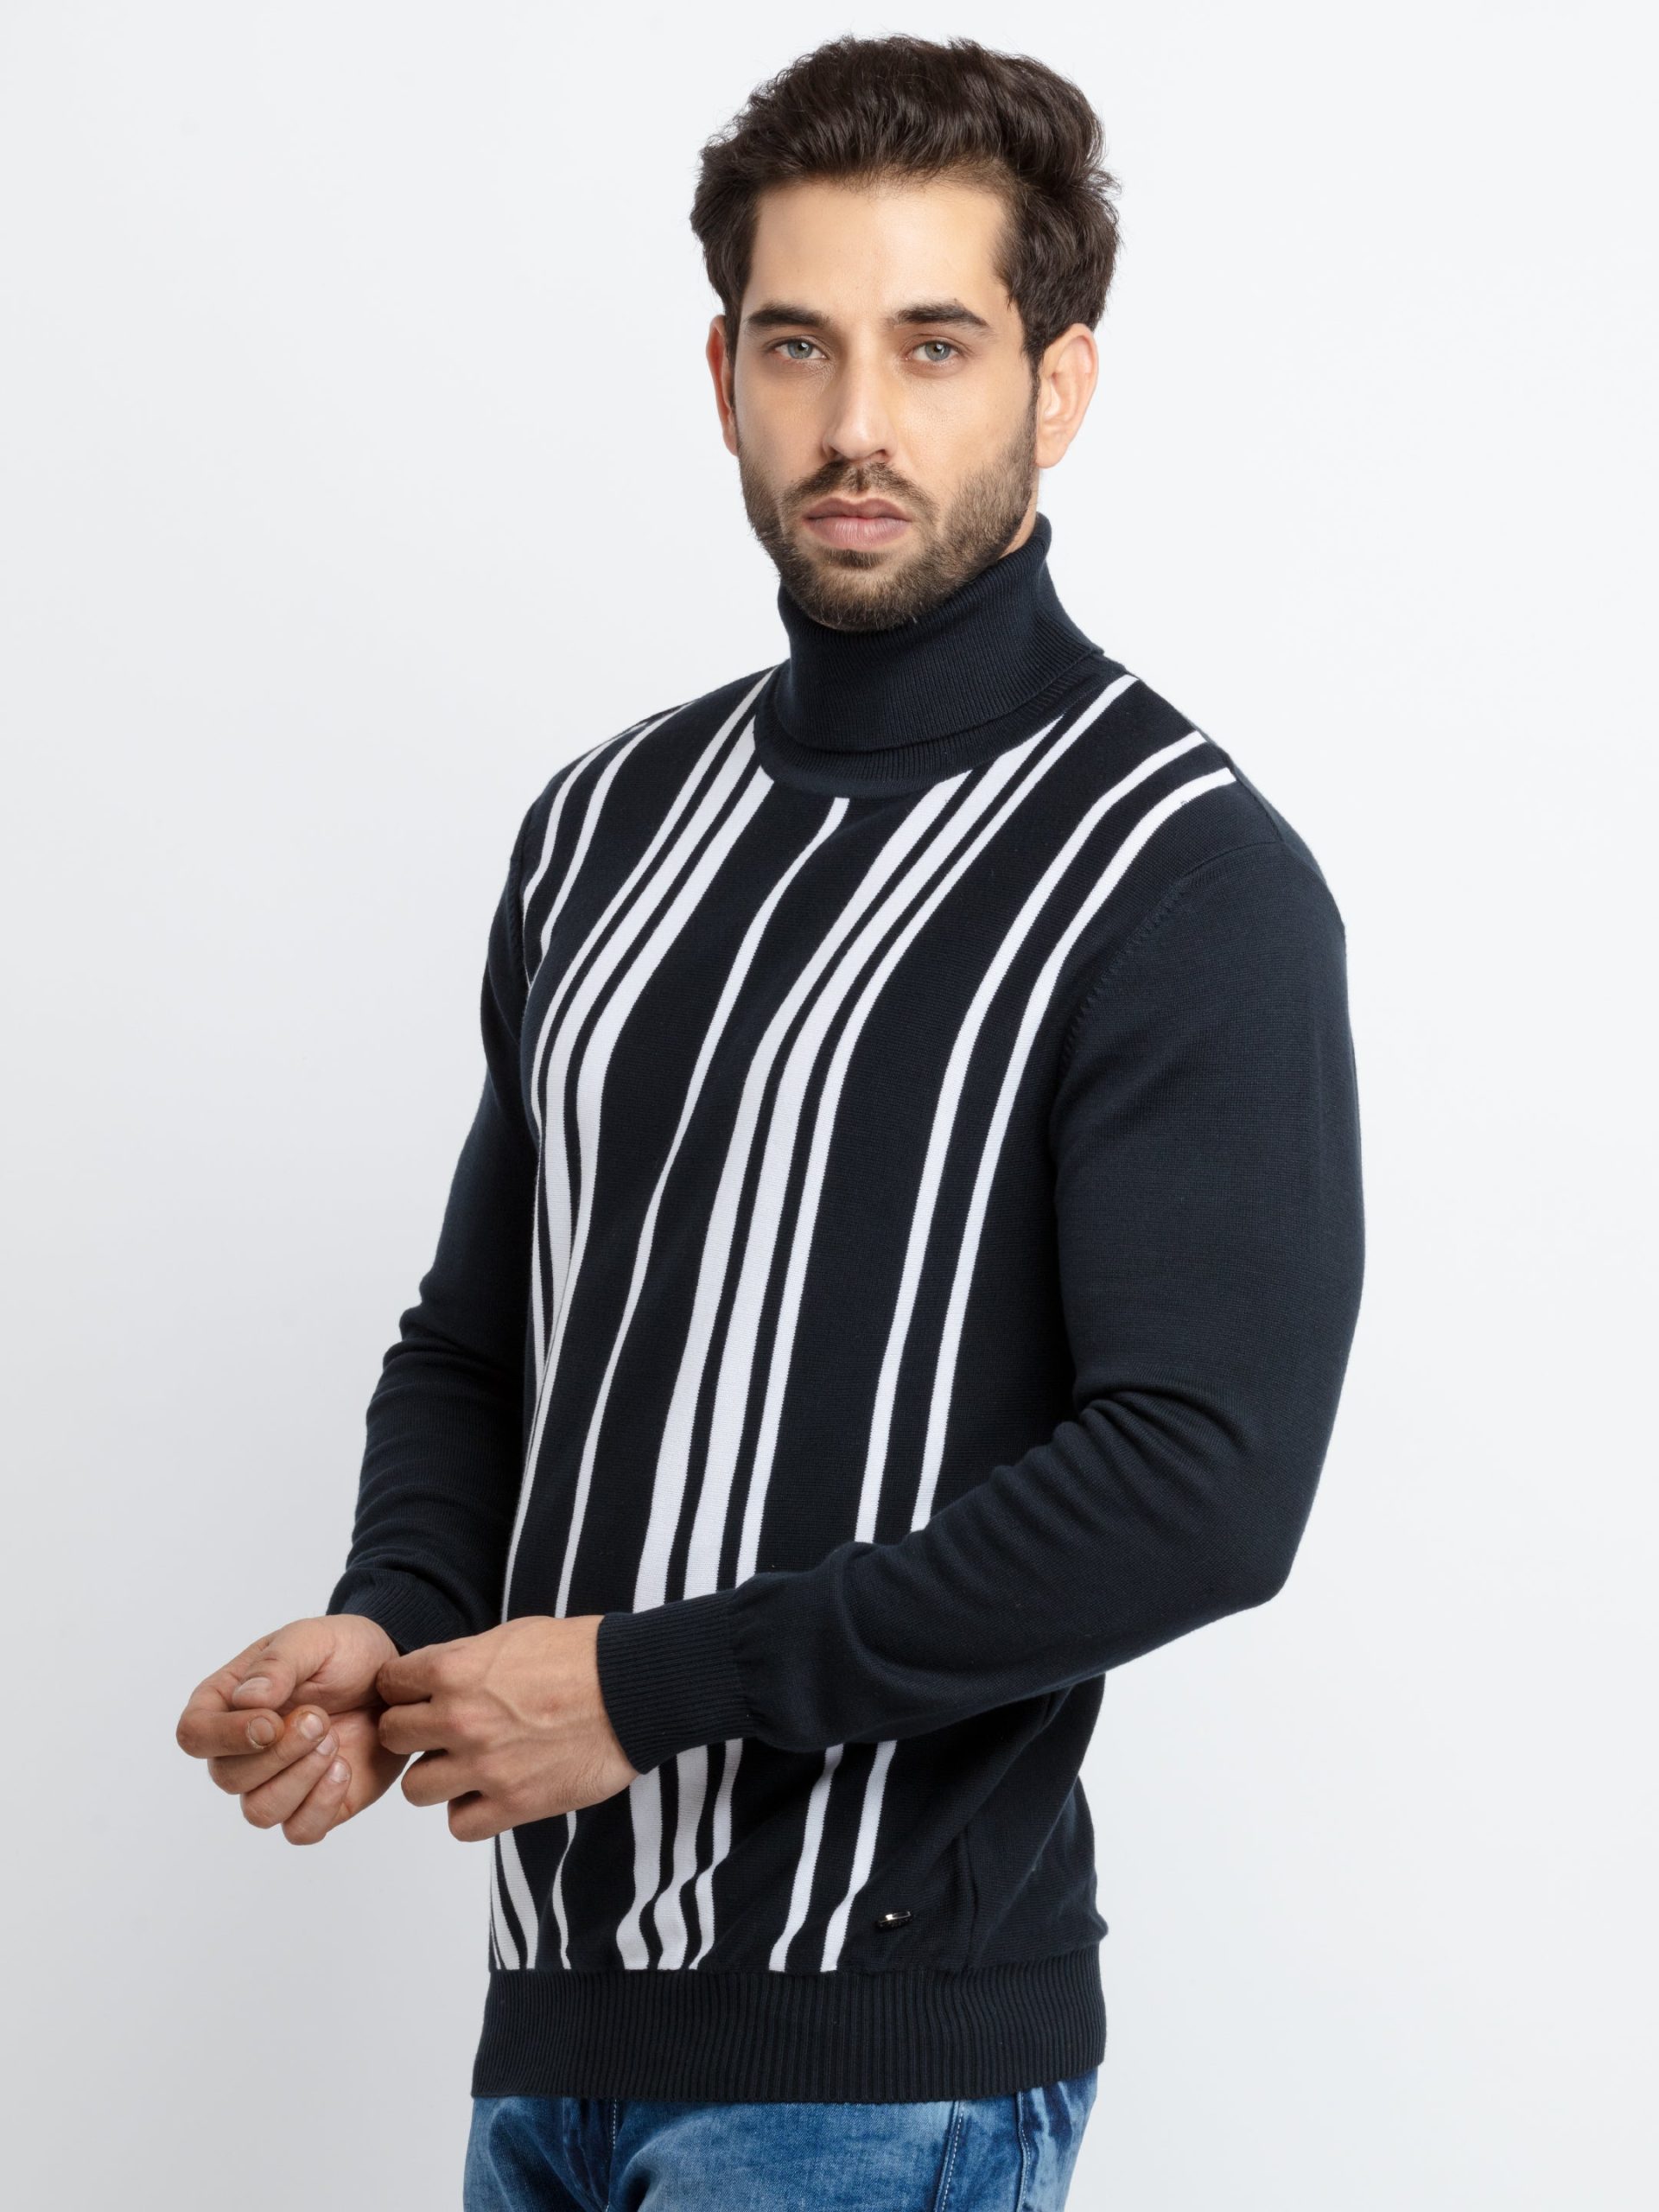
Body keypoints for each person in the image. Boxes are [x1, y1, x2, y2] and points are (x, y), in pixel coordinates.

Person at [175, 32, 1364, 2210]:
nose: (856, 424)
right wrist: (390, 1612)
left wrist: (646, 1685)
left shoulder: (1179, 873)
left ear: (1061, 387)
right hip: (553, 2031)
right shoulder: (605, 827)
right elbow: (486, 1336)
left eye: (936, 344)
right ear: (723, 372)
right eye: (800, 344)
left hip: (878, 2065)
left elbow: (1205, 1481)